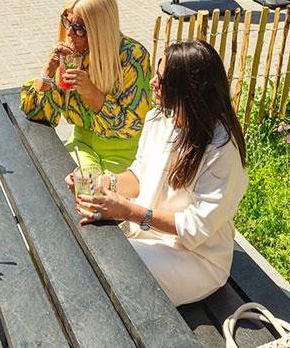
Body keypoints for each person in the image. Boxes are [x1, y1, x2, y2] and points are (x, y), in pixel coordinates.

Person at [69, 40, 248, 306]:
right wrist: (101, 182)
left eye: (161, 79)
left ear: (188, 90)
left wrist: (128, 211)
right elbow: (140, 177)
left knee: (106, 268)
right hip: (148, 236)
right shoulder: (159, 119)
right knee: (85, 248)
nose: (152, 82)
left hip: (195, 258)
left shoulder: (222, 150)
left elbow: (195, 227)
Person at [21, 0, 154, 173]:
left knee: (95, 195)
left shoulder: (132, 56)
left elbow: (130, 126)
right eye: (67, 21)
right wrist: (48, 72)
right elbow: (35, 114)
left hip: (124, 151)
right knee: (57, 181)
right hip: (82, 145)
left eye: (79, 28)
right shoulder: (70, 54)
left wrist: (92, 92)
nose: (69, 33)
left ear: (100, 31)